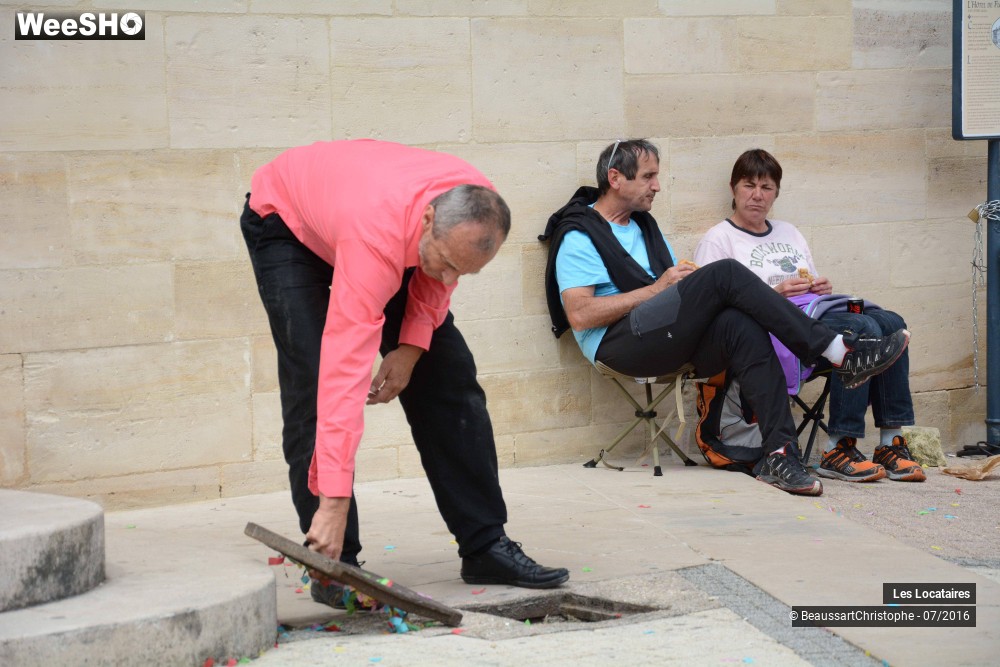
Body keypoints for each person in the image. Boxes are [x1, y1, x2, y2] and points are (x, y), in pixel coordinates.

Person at [241, 139, 569, 607]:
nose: (453, 279)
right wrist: (333, 501)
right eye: (449, 265)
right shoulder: (375, 238)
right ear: (429, 221)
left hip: (374, 216)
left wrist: (413, 349)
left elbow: (437, 281)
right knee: (314, 382)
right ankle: (335, 560)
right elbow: (342, 375)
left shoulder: (478, 209)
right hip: (285, 221)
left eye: (467, 272)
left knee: (449, 373)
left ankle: (485, 545)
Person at [541, 139, 910, 497]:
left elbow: (673, 296)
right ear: (615, 178)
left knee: (741, 324)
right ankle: (834, 351)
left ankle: (780, 454)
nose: (657, 186)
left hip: (658, 334)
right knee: (726, 272)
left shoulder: (642, 226)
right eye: (648, 176)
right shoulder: (580, 235)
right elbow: (580, 314)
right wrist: (658, 290)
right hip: (618, 344)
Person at [693, 148, 925, 483]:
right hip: (770, 333)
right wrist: (773, 296)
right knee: (862, 329)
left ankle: (891, 441)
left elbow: (809, 288)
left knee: (891, 322)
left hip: (812, 316)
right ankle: (839, 446)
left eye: (767, 187)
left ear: (777, 193)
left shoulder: (789, 232)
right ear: (733, 189)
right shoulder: (719, 239)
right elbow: (714, 313)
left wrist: (820, 287)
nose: (757, 195)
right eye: (749, 185)